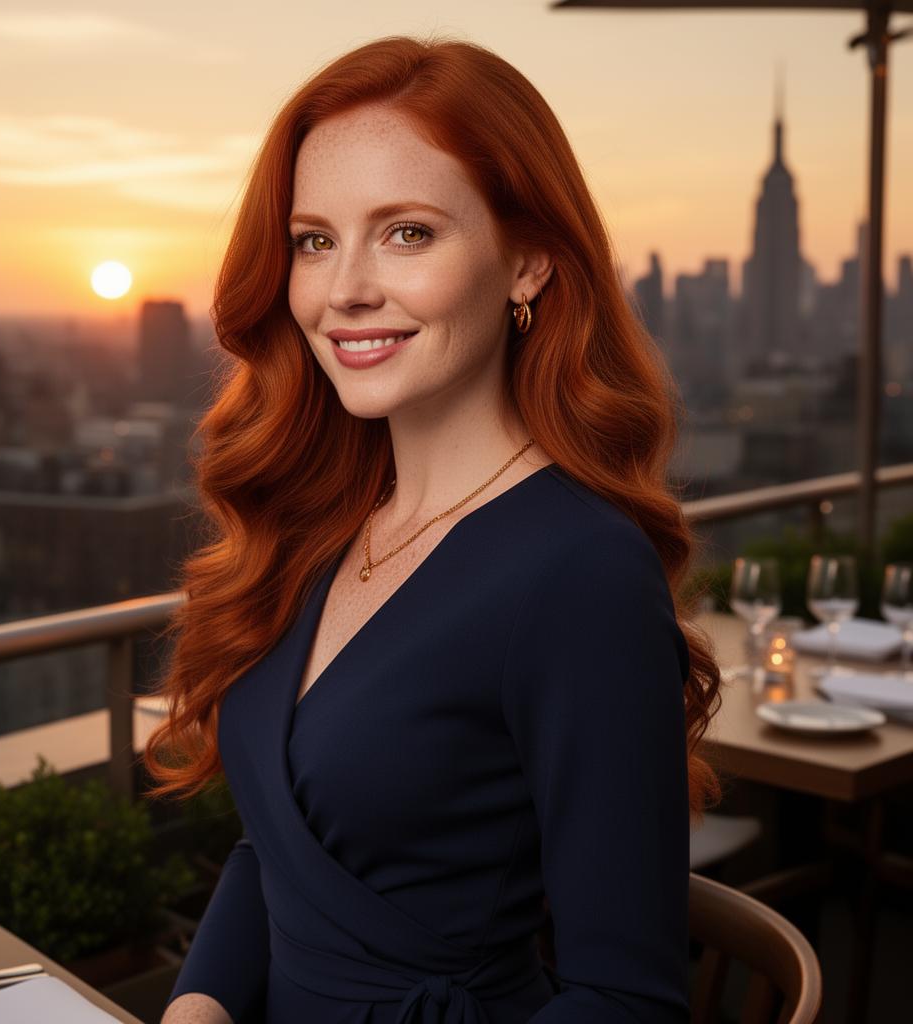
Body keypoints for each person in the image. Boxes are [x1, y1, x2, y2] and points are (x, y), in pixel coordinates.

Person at [145, 34, 722, 1024]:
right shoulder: (326, 522)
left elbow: (625, 999)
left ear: (528, 261)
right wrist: (195, 1007)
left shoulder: (579, 571)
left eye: (406, 232)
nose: (344, 290)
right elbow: (282, 847)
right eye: (315, 239)